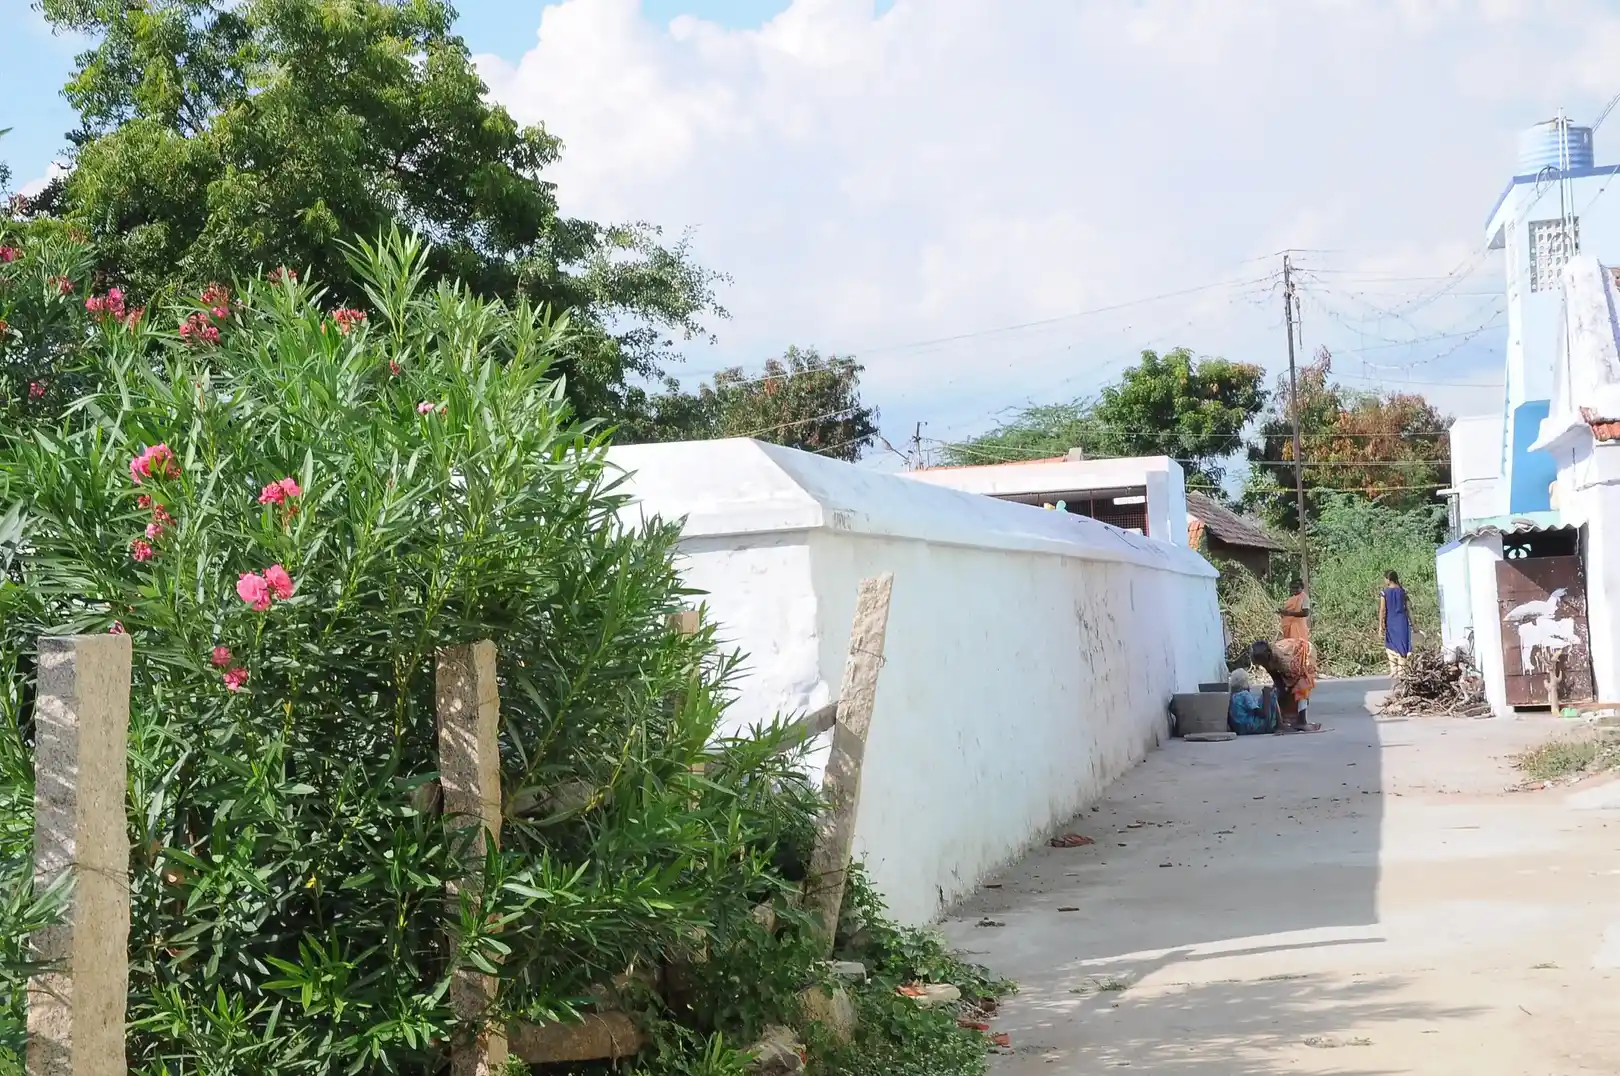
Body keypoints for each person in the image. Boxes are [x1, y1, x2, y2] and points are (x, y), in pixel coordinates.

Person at [1250, 638, 1322, 733]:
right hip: (1289, 661)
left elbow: (1294, 676)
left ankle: (1302, 721)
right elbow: (1275, 677)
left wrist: (1285, 689)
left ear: (1267, 656)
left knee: (1302, 686)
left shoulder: (1283, 660)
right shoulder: (1266, 658)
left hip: (1305, 654)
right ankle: (1284, 719)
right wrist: (1278, 691)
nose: (1261, 665)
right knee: (1279, 690)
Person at [1380, 570, 1412, 678]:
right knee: (1402, 646)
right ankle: (1401, 671)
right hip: (1402, 622)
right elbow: (1408, 609)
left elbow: (1382, 610)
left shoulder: (1384, 593)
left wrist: (1381, 625)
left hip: (1391, 622)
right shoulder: (1403, 591)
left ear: (1388, 579)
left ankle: (1394, 669)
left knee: (1390, 646)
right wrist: (1413, 624)